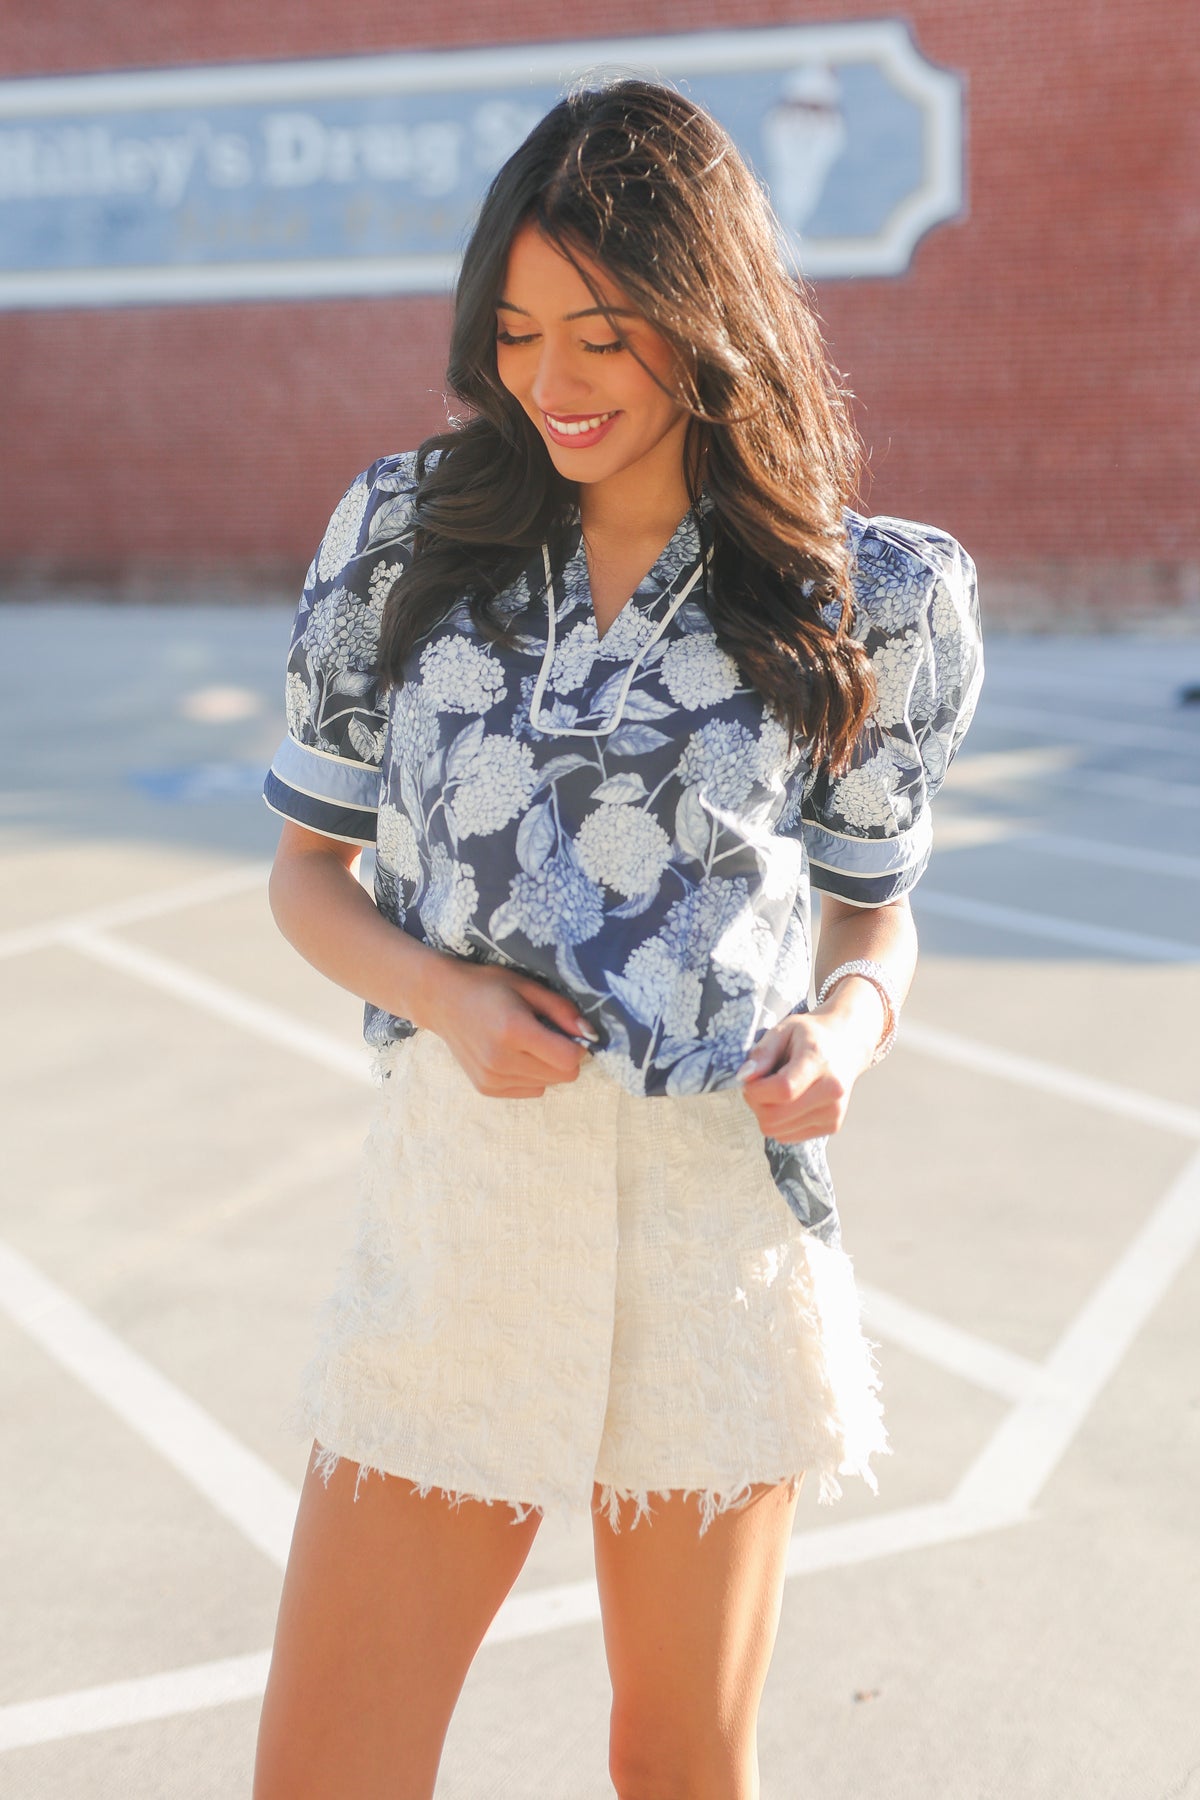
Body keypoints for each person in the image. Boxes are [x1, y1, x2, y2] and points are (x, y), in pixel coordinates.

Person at [252, 76, 983, 1800]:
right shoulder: (407, 537)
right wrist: (442, 997)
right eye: (515, 334)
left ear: (708, 318)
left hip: (715, 1218)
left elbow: (876, 914)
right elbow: (304, 878)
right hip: (466, 1207)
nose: (552, 382)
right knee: (329, 1771)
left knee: (682, 1765)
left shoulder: (861, 593)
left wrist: (848, 1032)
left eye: (602, 334)